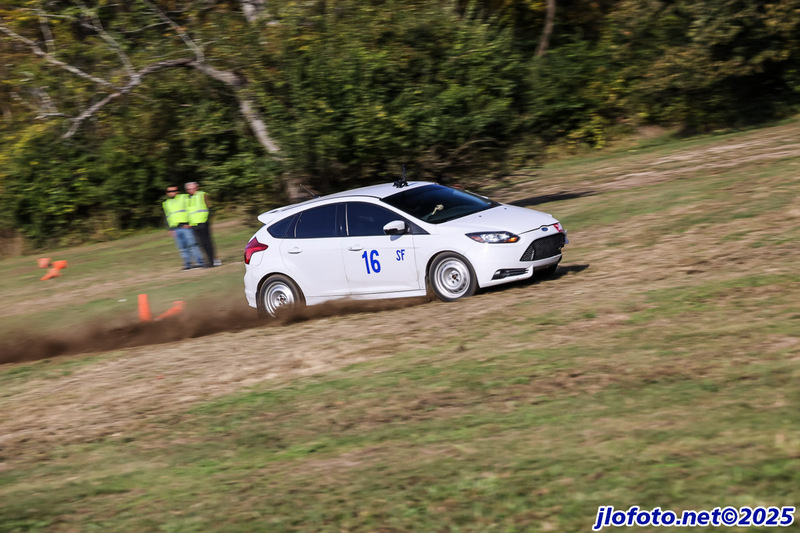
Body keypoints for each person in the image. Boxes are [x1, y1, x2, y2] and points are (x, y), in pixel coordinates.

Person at [162, 185, 206, 270]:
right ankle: (188, 265)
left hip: (186, 227)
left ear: (177, 191)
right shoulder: (166, 203)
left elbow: (193, 208)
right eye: (169, 191)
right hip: (175, 228)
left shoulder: (184, 197)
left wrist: (191, 223)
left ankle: (200, 263)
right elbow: (167, 216)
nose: (172, 193)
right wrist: (169, 229)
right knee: (182, 248)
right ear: (167, 193)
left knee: (193, 245)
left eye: (174, 190)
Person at [185, 181, 221, 267]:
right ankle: (208, 260)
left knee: (207, 243)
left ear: (197, 188)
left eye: (194, 188)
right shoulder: (187, 198)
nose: (192, 190)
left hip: (203, 223)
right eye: (189, 189)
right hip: (194, 225)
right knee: (201, 244)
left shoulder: (202, 195)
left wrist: (207, 221)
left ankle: (213, 261)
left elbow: (210, 208)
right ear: (187, 190)